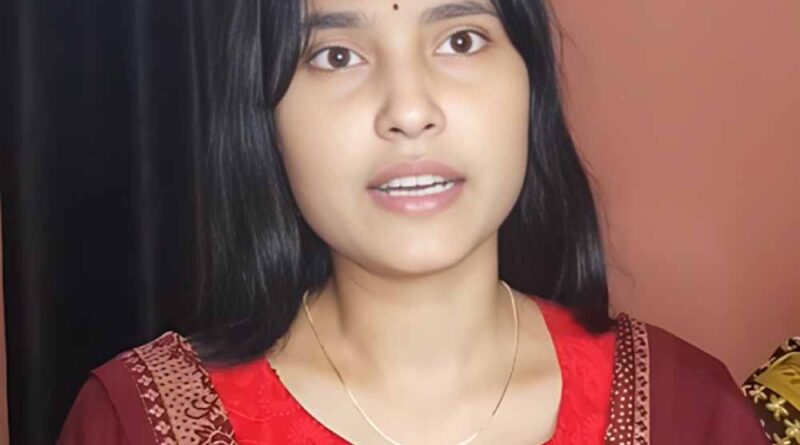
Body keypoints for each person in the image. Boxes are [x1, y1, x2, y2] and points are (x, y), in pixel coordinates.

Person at [57, 0, 769, 443]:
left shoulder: (689, 414)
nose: (408, 109)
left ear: (531, 86)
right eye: (337, 55)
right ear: (264, 116)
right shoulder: (134, 423)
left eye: (460, 40)